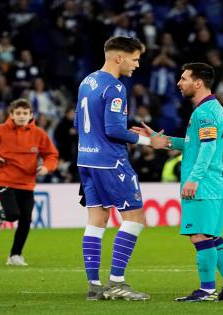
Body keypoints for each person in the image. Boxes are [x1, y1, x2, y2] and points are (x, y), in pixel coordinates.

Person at [133, 63, 223, 302]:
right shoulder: (213, 108)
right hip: (215, 181)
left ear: (198, 83)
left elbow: (208, 146)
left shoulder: (204, 112)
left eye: (183, 78)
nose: (178, 83)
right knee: (213, 235)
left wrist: (194, 178)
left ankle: (206, 290)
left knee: (199, 235)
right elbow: (196, 143)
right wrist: (163, 141)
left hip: (203, 183)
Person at [75, 36, 171, 301]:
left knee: (97, 220)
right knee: (136, 217)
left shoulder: (88, 81)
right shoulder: (115, 87)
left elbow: (78, 121)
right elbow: (114, 129)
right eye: (135, 59)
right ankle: (117, 282)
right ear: (119, 58)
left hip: (86, 159)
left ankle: (94, 286)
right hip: (111, 162)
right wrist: (149, 141)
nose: (137, 65)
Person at [0, 98, 58, 266]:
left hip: (27, 181)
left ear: (31, 115)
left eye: (25, 113)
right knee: (13, 215)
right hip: (4, 177)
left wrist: (47, 168)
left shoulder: (39, 134)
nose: (22, 116)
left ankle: (15, 255)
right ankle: (1, 213)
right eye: (18, 113)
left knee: (26, 219)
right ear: (11, 115)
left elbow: (51, 155)